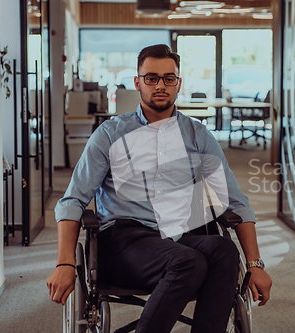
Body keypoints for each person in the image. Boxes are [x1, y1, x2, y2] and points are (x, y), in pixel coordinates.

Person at [47, 44, 272, 333]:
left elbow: (236, 202)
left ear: (179, 83)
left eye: (168, 78)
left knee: (224, 250)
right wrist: (65, 262)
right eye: (151, 78)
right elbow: (74, 200)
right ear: (137, 82)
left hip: (181, 236)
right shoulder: (110, 135)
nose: (160, 85)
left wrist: (255, 263)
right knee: (189, 262)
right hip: (125, 240)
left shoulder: (198, 135)